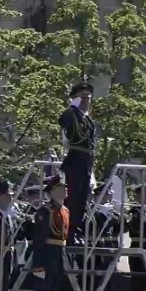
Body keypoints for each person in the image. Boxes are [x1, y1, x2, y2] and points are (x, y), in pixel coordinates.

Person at [30, 174, 68, 291]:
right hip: (44, 258)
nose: (65, 190)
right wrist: (38, 265)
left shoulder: (64, 210)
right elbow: (39, 240)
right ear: (52, 191)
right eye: (61, 187)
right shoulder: (45, 211)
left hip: (57, 257)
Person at [59, 81, 95, 241]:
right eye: (83, 98)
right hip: (75, 161)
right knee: (72, 198)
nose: (87, 101)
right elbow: (63, 120)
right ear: (75, 99)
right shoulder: (71, 114)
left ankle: (75, 230)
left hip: (86, 162)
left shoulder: (86, 119)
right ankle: (69, 230)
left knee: (81, 200)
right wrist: (73, 106)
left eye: (88, 98)